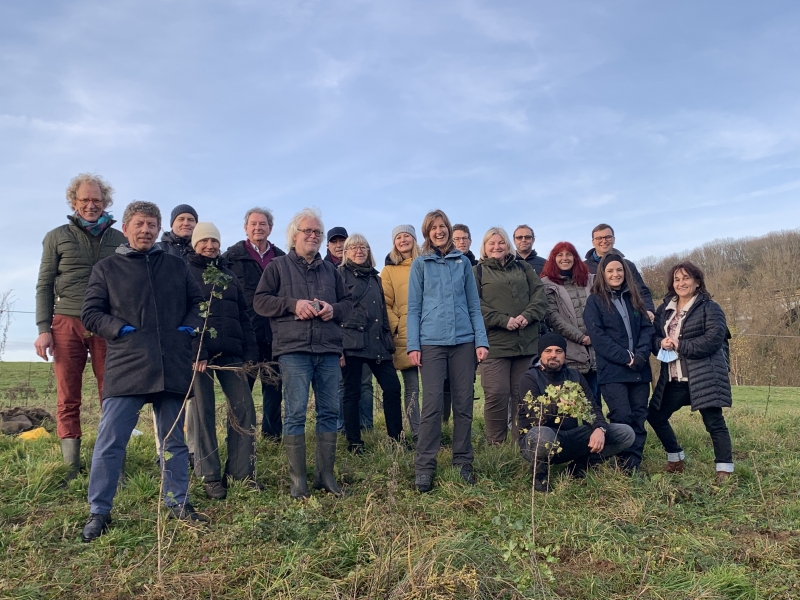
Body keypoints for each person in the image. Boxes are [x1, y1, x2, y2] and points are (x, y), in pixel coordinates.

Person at [80, 201, 206, 542]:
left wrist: (188, 329)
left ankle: (178, 502)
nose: (146, 230)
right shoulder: (107, 268)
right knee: (111, 442)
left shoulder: (175, 266)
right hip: (128, 364)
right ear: (126, 227)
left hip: (171, 365)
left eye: (152, 224)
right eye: (139, 223)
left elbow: (199, 304)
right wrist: (120, 329)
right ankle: (99, 512)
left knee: (173, 441)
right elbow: (90, 313)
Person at [253, 208, 353, 498]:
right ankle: (299, 480)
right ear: (293, 235)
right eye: (307, 231)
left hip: (327, 350)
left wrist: (334, 310)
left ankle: (326, 476)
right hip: (293, 350)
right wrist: (292, 304)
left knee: (330, 412)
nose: (313, 236)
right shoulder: (277, 267)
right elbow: (260, 302)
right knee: (295, 413)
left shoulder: (331, 272)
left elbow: (348, 304)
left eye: (317, 233)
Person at [34, 173, 126, 480]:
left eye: (96, 200)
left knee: (111, 394)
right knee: (68, 395)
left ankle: (110, 461)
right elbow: (44, 284)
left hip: (106, 324)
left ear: (105, 202)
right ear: (74, 202)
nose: (91, 205)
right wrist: (43, 328)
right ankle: (71, 468)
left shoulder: (119, 239)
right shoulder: (57, 236)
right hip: (66, 322)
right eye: (85, 199)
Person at [407, 209, 489, 492]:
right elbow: (414, 308)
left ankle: (463, 462)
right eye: (433, 227)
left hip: (464, 342)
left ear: (449, 229)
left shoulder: (462, 263)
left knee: (464, 404)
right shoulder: (420, 264)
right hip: (431, 343)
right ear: (427, 232)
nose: (439, 231)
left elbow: (473, 306)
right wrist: (413, 345)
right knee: (431, 406)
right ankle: (424, 466)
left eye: (443, 226)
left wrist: (481, 341)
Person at [187, 223, 261, 499]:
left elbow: (244, 316)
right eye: (204, 241)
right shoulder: (186, 273)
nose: (210, 246)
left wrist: (251, 351)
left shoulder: (228, 276)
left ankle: (242, 471)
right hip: (200, 358)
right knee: (203, 413)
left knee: (244, 409)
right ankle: (210, 475)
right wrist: (197, 350)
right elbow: (183, 314)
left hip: (231, 354)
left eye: (214, 241)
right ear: (195, 244)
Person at [647, 262, 734, 483]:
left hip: (704, 376)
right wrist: (661, 342)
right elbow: (652, 337)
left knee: (714, 423)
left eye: (686, 278)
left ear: (697, 282)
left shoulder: (710, 307)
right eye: (677, 279)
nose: (681, 283)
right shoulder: (665, 308)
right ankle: (676, 459)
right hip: (674, 378)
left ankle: (724, 469)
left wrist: (679, 345)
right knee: (655, 416)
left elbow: (713, 340)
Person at [518, 333, 635, 492]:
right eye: (548, 351)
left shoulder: (575, 376)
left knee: (625, 433)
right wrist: (558, 404)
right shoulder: (529, 378)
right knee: (542, 435)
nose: (554, 355)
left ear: (565, 354)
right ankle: (539, 476)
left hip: (569, 437)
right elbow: (534, 414)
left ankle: (577, 469)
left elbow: (592, 408)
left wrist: (599, 429)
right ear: (541, 354)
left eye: (559, 351)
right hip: (539, 438)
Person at [474, 227, 547, 444]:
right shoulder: (476, 271)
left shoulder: (523, 268)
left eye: (501, 242)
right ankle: (496, 444)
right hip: (494, 343)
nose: (496, 247)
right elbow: (474, 304)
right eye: (491, 243)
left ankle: (521, 442)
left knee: (523, 395)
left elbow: (540, 296)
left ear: (508, 245)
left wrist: (528, 315)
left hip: (525, 343)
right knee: (496, 394)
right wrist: (503, 319)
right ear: (485, 248)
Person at [584, 253, 654, 473]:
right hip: (613, 372)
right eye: (610, 271)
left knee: (639, 416)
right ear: (603, 275)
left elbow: (646, 329)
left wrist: (641, 355)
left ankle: (633, 465)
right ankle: (620, 459)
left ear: (625, 273)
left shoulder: (635, 298)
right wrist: (625, 357)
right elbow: (598, 337)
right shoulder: (594, 301)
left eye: (619, 270)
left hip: (639, 370)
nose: (615, 274)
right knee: (622, 416)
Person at [223, 208, 286, 441]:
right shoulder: (231, 256)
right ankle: (240, 436)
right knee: (242, 391)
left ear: (270, 227)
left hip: (275, 333)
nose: (258, 228)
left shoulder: (281, 258)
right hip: (245, 334)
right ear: (245, 227)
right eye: (253, 224)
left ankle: (272, 437)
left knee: (274, 389)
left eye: (263, 224)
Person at [338, 234, 404, 453]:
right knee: (352, 392)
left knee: (393, 388)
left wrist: (388, 343)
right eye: (354, 247)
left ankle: (396, 439)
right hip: (351, 343)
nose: (359, 251)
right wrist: (338, 347)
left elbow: (382, 313)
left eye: (363, 247)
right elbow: (336, 313)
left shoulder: (376, 278)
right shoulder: (339, 275)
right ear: (346, 252)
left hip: (378, 344)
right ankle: (354, 442)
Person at [327, 226, 375, 430]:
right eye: (335, 242)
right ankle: (341, 425)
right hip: (341, 338)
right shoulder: (327, 271)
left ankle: (365, 424)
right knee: (341, 385)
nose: (339, 245)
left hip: (365, 337)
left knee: (364, 384)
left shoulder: (372, 275)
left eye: (342, 241)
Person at [540, 242, 599, 400]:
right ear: (553, 258)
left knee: (593, 400)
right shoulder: (547, 284)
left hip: (595, 350)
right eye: (560, 255)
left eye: (568, 254)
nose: (564, 258)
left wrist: (595, 335)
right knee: (568, 402)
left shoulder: (591, 280)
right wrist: (581, 337)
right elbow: (552, 316)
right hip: (569, 350)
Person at [381, 225, 422, 440]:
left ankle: (433, 429)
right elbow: (384, 303)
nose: (403, 240)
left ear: (415, 239)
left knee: (434, 388)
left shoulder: (426, 263)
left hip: (431, 332)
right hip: (404, 336)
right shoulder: (389, 270)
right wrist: (398, 324)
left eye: (407, 236)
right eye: (398, 237)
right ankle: (417, 433)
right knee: (411, 388)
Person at [584, 223, 655, 319]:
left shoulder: (628, 265)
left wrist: (648, 310)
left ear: (613, 239)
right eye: (599, 238)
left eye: (608, 237)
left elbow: (642, 291)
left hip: (629, 319)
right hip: (598, 321)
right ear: (593, 242)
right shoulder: (583, 268)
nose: (604, 241)